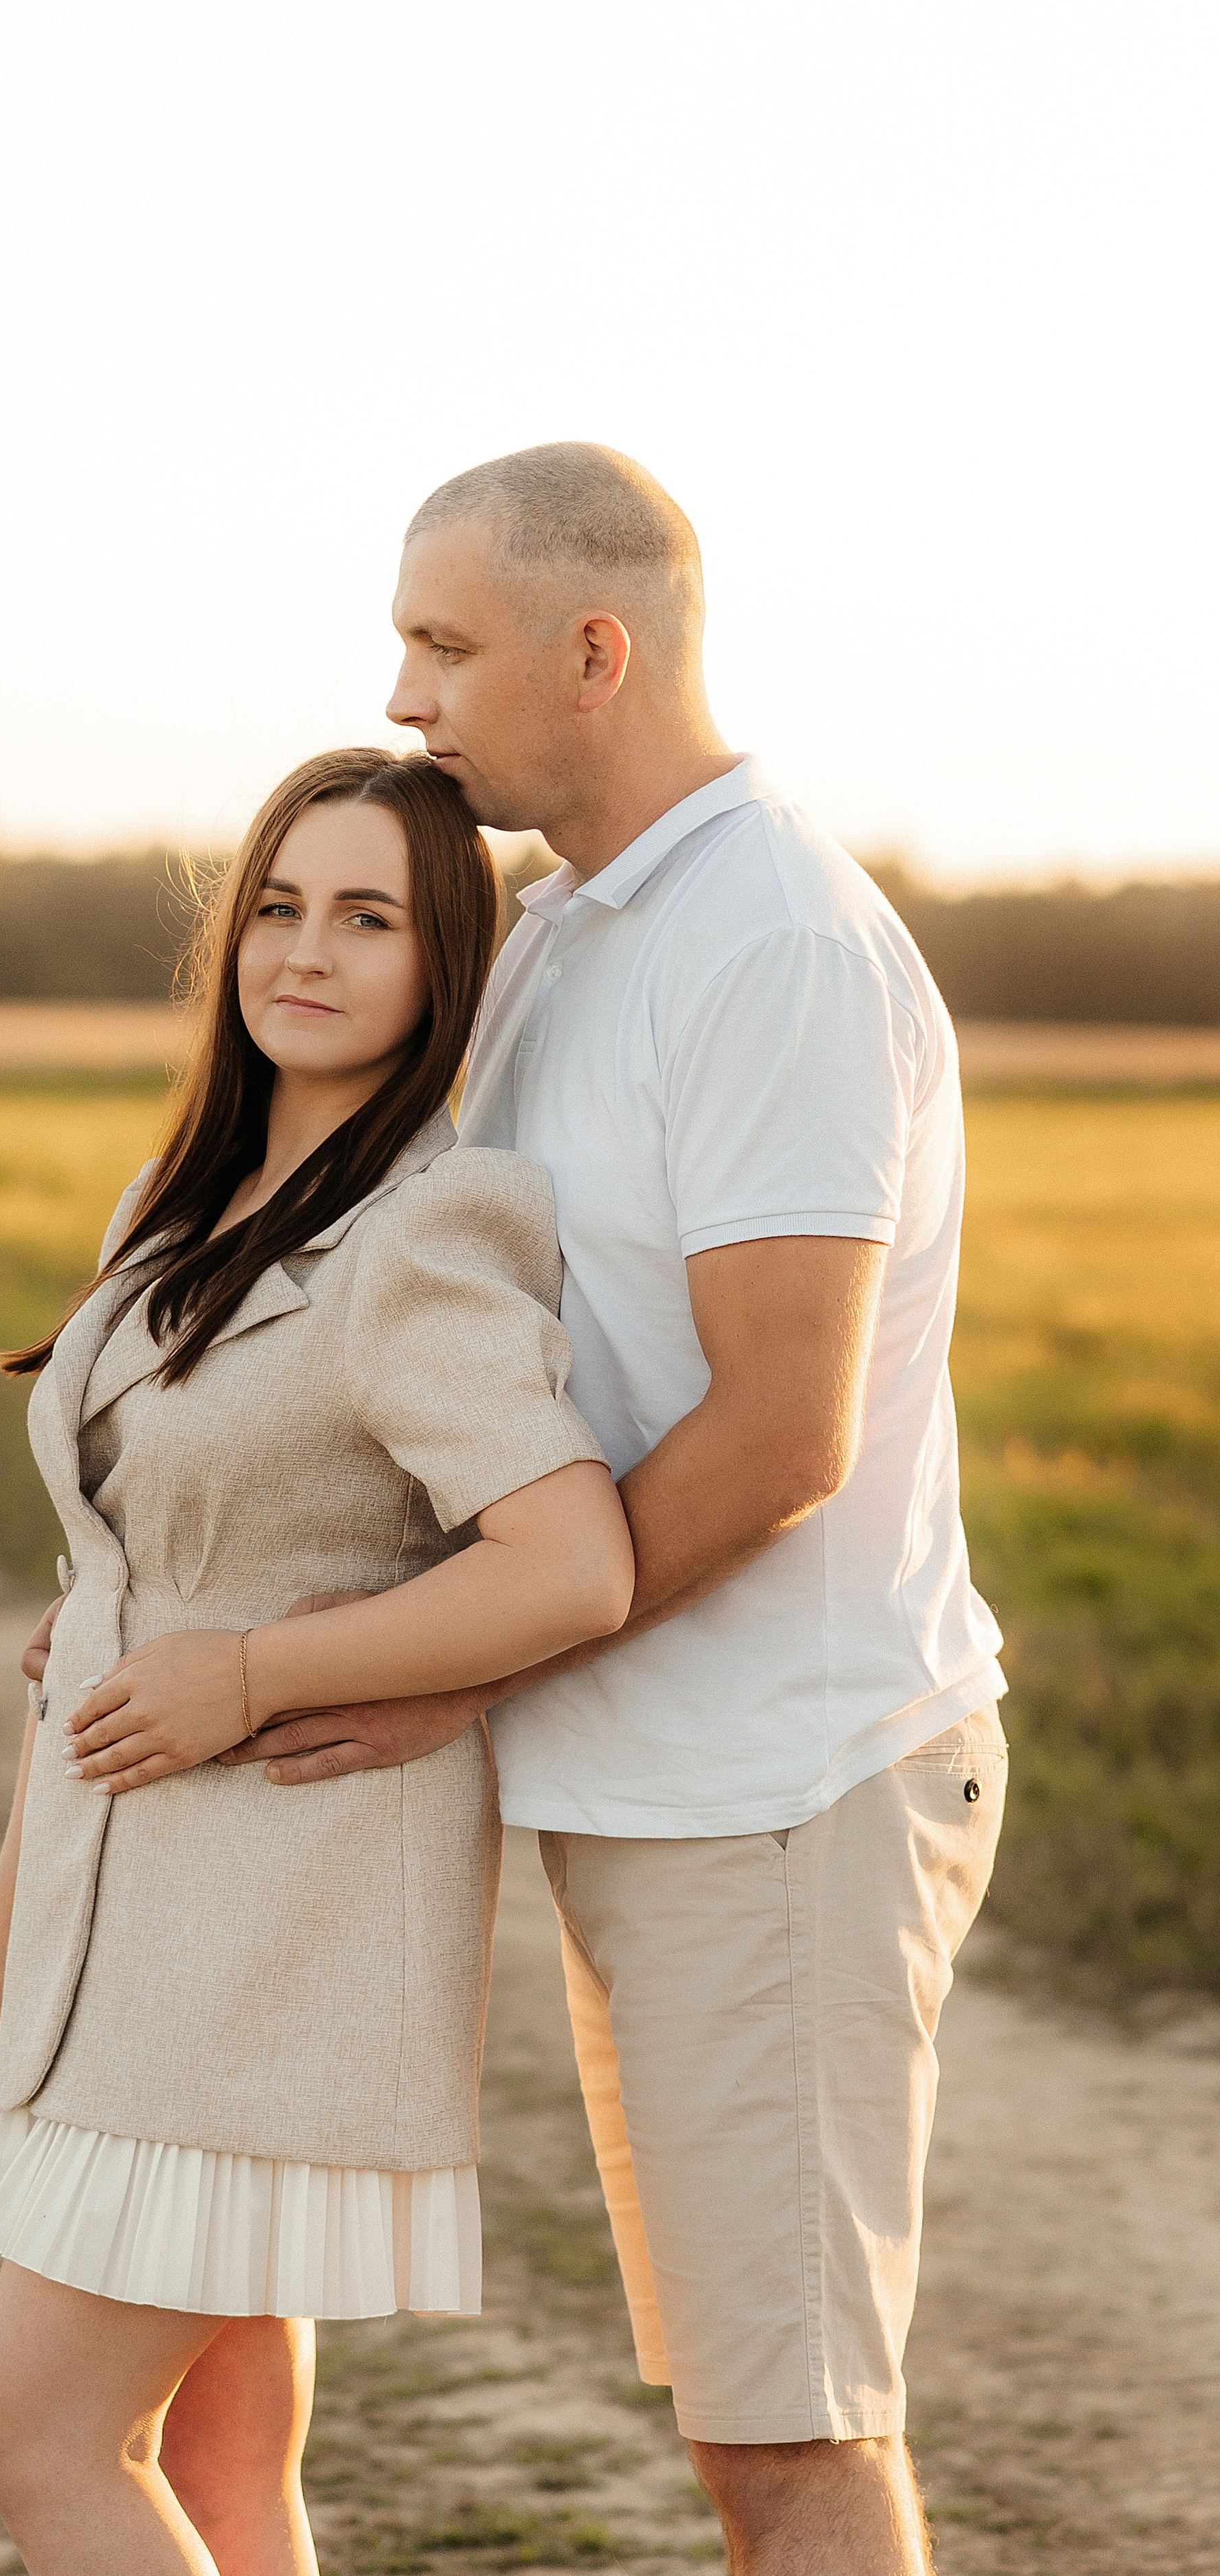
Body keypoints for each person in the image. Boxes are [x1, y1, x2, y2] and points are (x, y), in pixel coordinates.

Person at [230, 446, 1009, 2576]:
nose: (403, 696)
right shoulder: (572, 930)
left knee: (796, 2439)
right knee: (750, 2424)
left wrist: (459, 1672)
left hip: (781, 1789)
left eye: (444, 645)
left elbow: (779, 1432)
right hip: (661, 1775)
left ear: (597, 652)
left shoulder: (773, 942)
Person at [0, 743, 634, 2576]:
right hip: (122, 1920)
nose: (306, 951)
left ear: (444, 964)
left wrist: (248, 1670)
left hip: (278, 1935)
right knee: (225, 2462)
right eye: (278, 905)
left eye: (369, 918)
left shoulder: (429, 1236)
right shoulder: (173, 1213)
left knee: (36, 2434)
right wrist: (8, 1956)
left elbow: (571, 1564)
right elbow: (106, 1609)